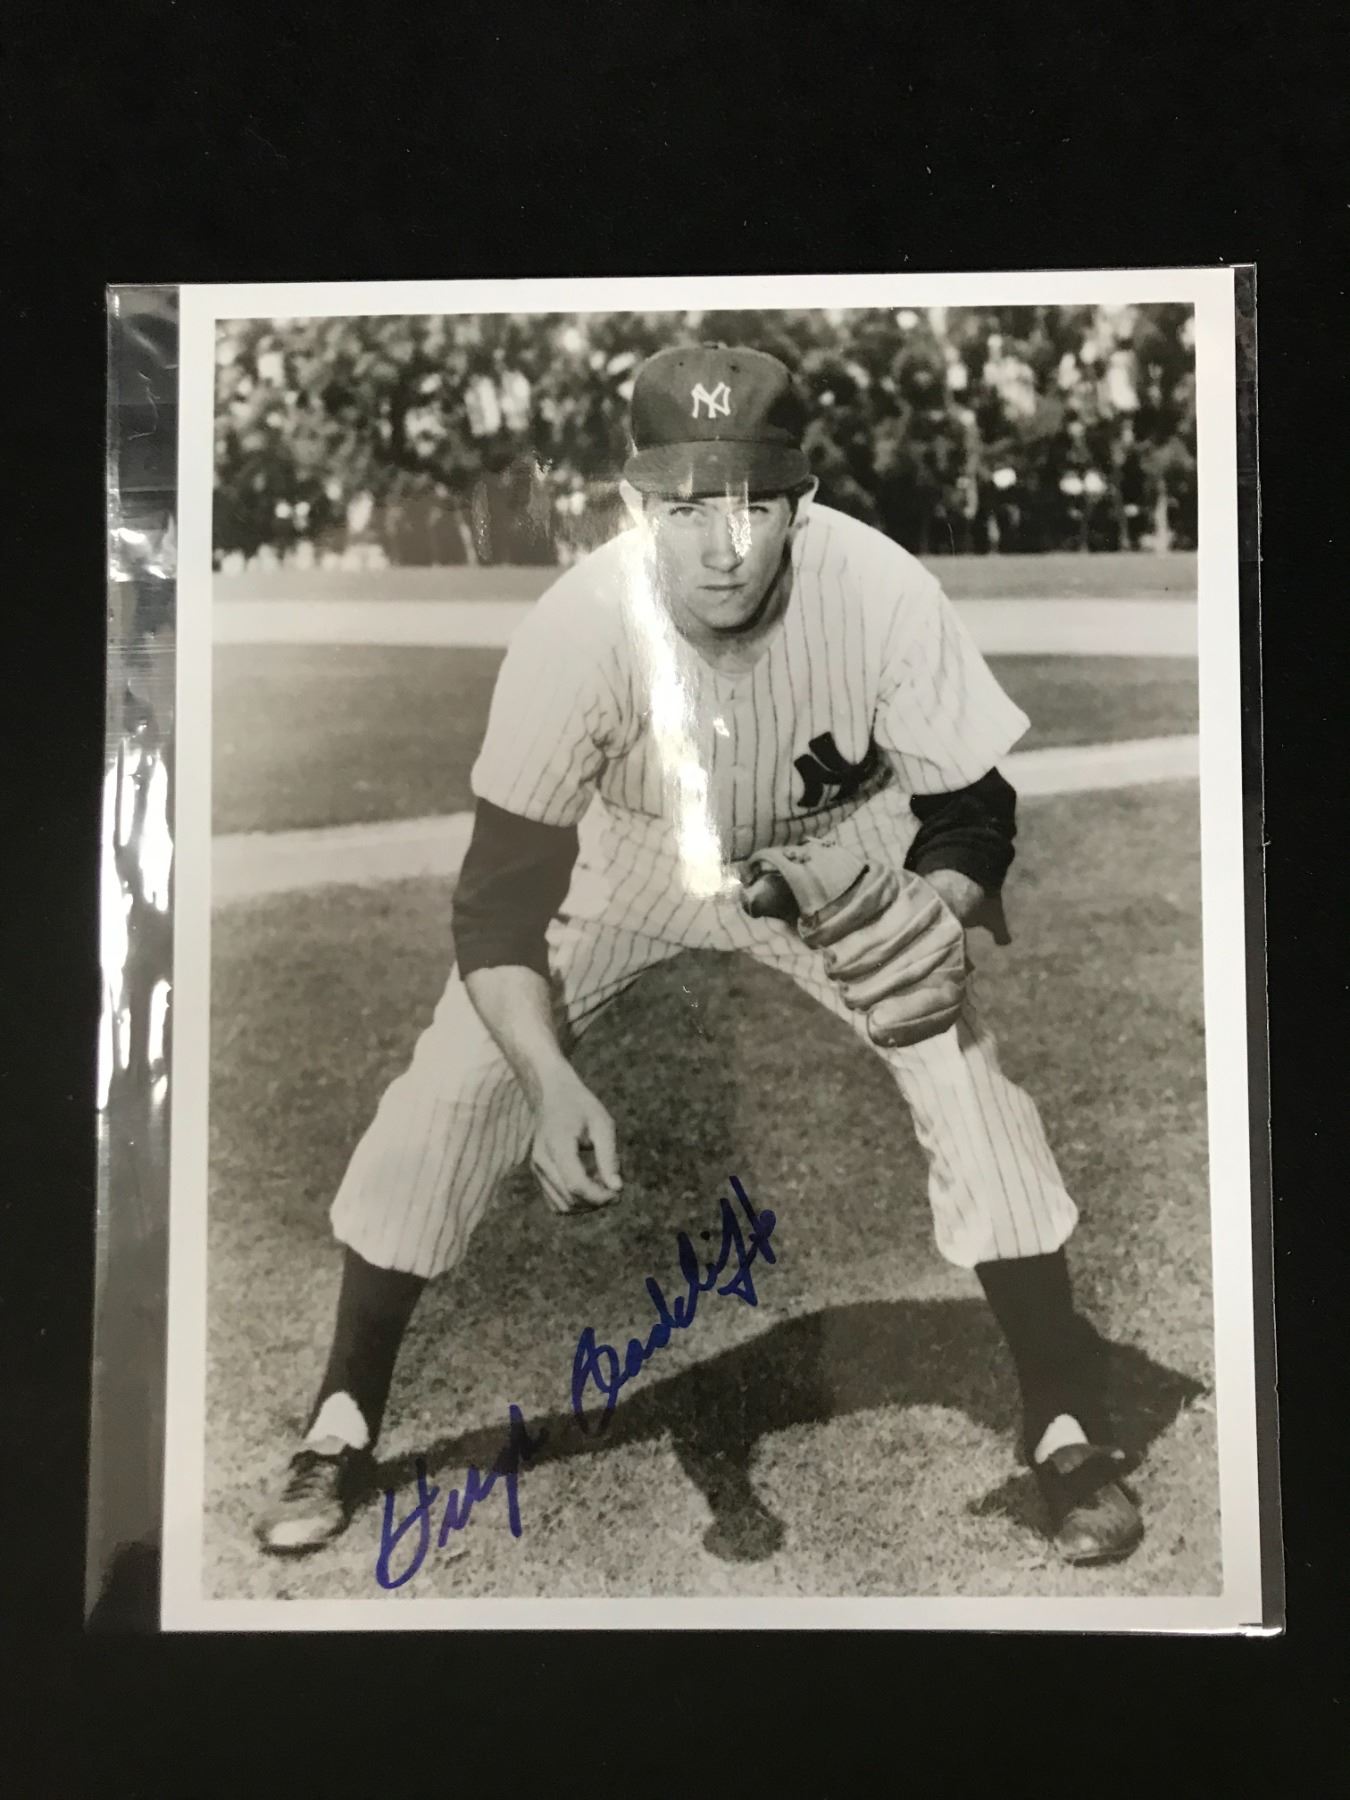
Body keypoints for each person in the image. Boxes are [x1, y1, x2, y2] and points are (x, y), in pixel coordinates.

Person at [255, 343, 1143, 1568]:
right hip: (634, 861)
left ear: (799, 504)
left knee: (969, 1086)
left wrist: (936, 909)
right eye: (684, 509)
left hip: (839, 857)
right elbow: (498, 908)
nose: (720, 545)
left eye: (751, 506)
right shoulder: (575, 634)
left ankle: (1063, 1421)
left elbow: (971, 806)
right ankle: (342, 1418)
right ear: (636, 507)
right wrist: (548, 1081)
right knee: (453, 1088)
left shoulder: (880, 591)